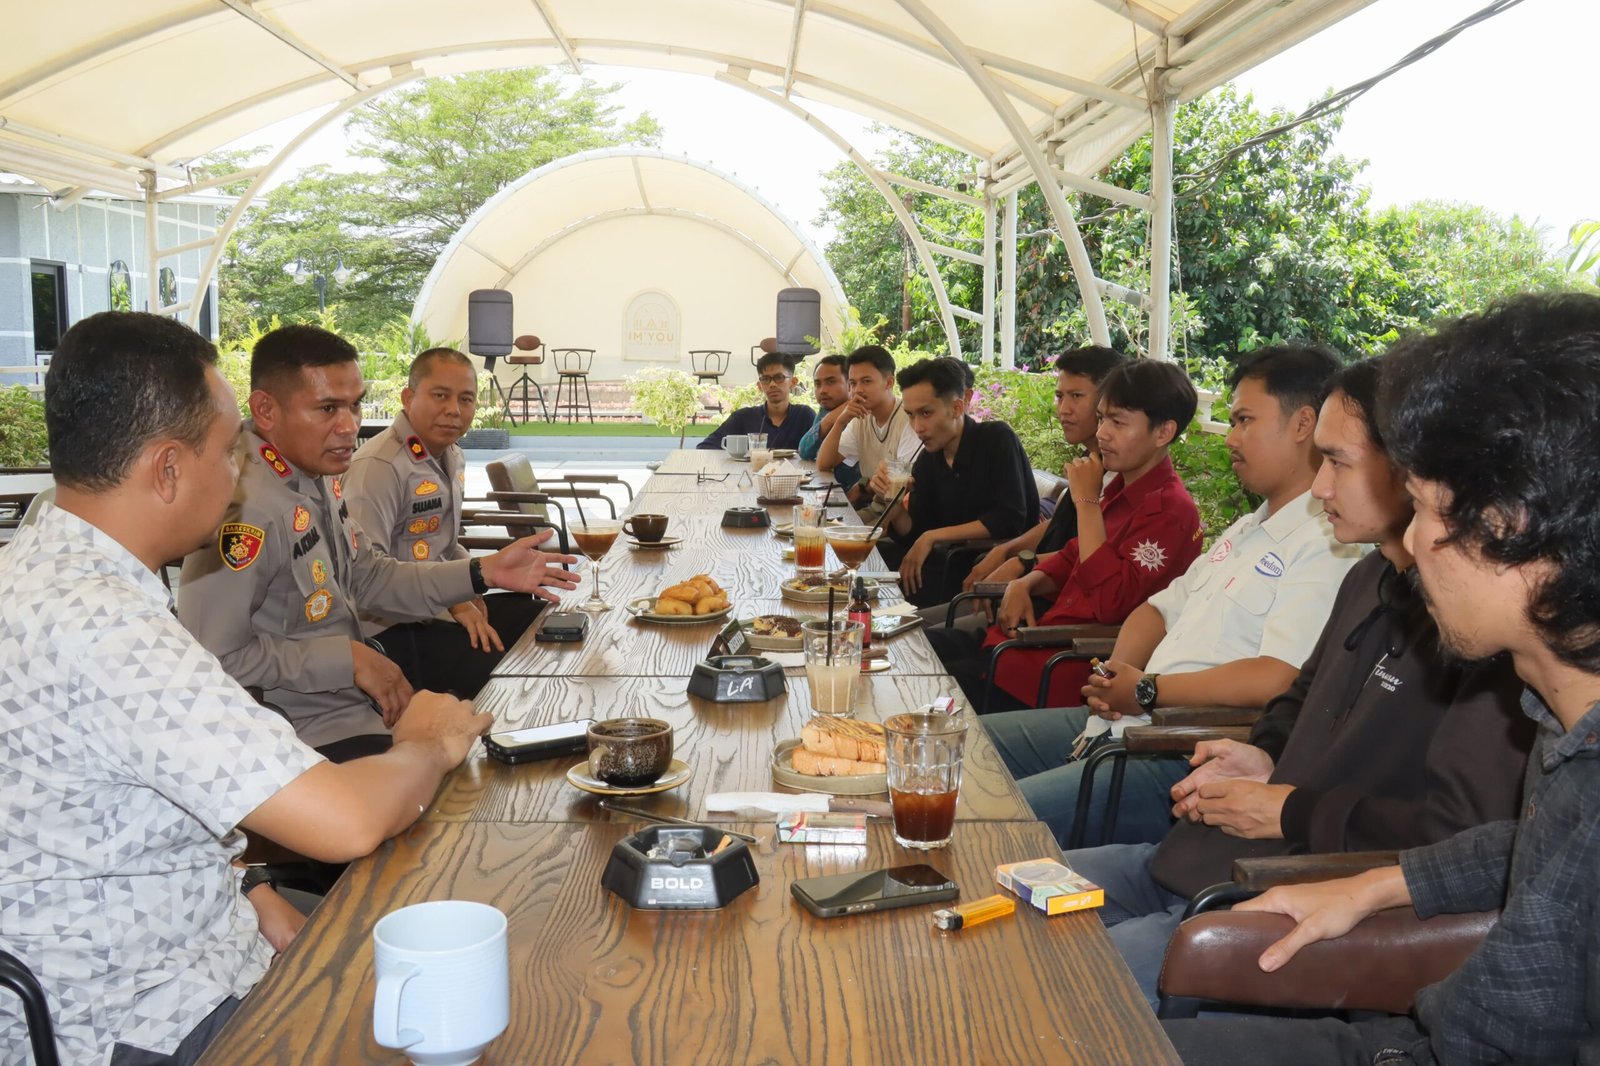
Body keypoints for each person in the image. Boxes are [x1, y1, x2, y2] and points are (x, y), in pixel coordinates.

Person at [0, 311, 498, 1065]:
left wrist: (250, 890)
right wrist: (427, 743)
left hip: (167, 934)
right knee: (441, 1003)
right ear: (168, 469)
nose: (240, 471)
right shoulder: (105, 629)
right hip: (135, 1014)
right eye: (228, 449)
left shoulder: (42, 563)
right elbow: (347, 821)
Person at [1165, 294, 1600, 1066]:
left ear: (1509, 526)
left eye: (1426, 508)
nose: (1411, 539)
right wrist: (1381, 886)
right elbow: (1526, 843)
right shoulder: (1558, 710)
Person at [1061, 358, 1531, 1006]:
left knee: (1054, 983)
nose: (1318, 488)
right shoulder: (1367, 580)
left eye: (1337, 462)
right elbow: (1297, 697)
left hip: (1274, 895)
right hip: (1197, 858)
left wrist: (1289, 807)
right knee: (1007, 890)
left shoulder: (1484, 634)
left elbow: (1460, 843)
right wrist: (1261, 752)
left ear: (1410, 470)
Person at [984, 346, 1363, 847]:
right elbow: (1155, 609)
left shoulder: (1327, 545)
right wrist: (1114, 680)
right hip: (1124, 720)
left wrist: (1147, 691)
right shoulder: (1249, 528)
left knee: (993, 815)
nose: (1230, 438)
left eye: (1245, 420)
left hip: (1181, 750)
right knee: (968, 745)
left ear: (1302, 424)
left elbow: (1278, 677)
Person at [178, 325, 578, 763]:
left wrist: (480, 574)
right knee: (461, 775)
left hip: (363, 704)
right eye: (328, 408)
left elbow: (370, 577)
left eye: (355, 405)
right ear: (266, 410)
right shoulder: (241, 505)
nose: (349, 426)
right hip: (302, 733)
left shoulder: (315, 477)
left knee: (505, 731)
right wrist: (346, 659)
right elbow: (213, 658)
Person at [927, 359, 1203, 712]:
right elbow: (1073, 554)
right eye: (1102, 418)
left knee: (919, 684)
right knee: (913, 651)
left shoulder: (1170, 511)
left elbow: (1109, 603)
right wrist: (1026, 581)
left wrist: (1086, 502)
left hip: (1056, 670)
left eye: (1118, 422)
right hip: (1019, 647)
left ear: (1163, 432)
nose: (1102, 433)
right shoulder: (1122, 485)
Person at [342, 347, 543, 695]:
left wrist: (469, 586)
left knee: (543, 622)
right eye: (440, 396)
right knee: (504, 677)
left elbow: (447, 544)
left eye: (466, 399)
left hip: (442, 608)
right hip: (393, 628)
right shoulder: (380, 466)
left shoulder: (450, 454)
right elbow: (364, 582)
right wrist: (457, 597)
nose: (454, 410)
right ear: (408, 397)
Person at [881, 357, 1039, 606]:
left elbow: (1009, 518)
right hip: (944, 566)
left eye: (926, 413)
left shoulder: (996, 439)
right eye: (910, 415)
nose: (917, 427)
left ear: (956, 408)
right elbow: (917, 533)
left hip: (991, 570)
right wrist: (893, 501)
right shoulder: (928, 459)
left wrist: (932, 537)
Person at [815, 344, 920, 521]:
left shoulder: (908, 418)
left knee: (830, 536)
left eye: (866, 381)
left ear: (889, 383)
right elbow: (824, 463)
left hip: (899, 518)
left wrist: (864, 489)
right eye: (853, 383)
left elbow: (899, 488)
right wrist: (841, 420)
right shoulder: (860, 418)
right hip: (875, 510)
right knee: (816, 525)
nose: (857, 390)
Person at [694, 351, 815, 451]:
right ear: (759, 385)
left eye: (779, 378)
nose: (772, 384)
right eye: (766, 379)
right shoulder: (744, 417)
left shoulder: (804, 416)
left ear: (793, 382)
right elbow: (705, 447)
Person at [795, 354, 859, 493]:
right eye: (818, 384)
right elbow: (805, 450)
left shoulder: (860, 413)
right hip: (830, 491)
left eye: (830, 382)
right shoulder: (826, 410)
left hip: (854, 497)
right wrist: (832, 418)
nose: (822, 390)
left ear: (850, 383)